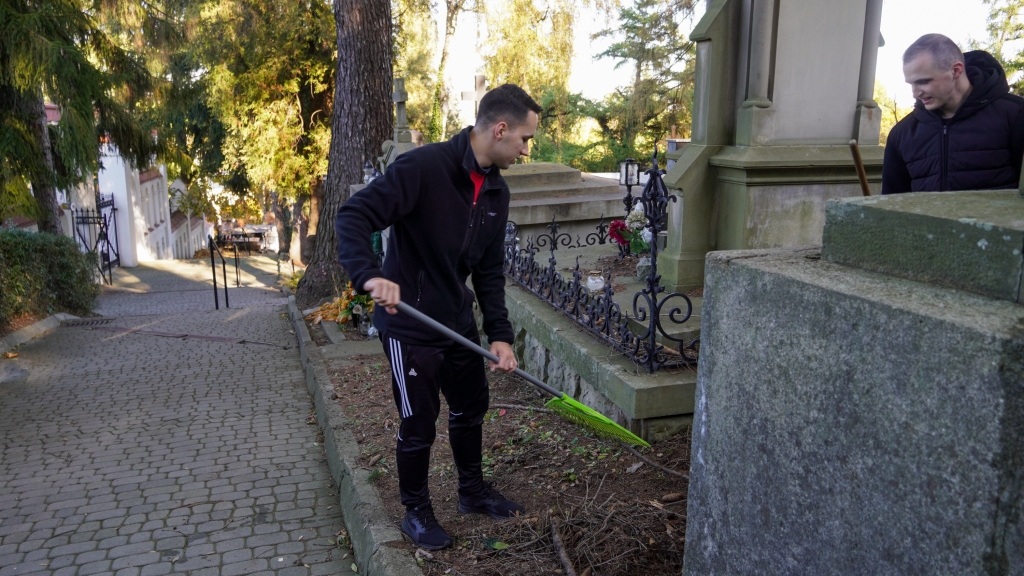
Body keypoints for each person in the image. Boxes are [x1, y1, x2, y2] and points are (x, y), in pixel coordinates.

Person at [334, 84, 541, 550]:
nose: (526, 150)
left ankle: (472, 492)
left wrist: (501, 335)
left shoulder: (495, 191)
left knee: (470, 409)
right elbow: (353, 216)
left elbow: (489, 273)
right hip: (410, 327)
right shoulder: (423, 169)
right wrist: (369, 276)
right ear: (500, 129)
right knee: (419, 422)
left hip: (456, 322)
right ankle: (417, 512)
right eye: (525, 140)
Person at [882, 33, 1024, 194]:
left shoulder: (1016, 115)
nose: (915, 93)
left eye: (923, 81)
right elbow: (893, 205)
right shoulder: (901, 134)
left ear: (956, 71)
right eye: (911, 83)